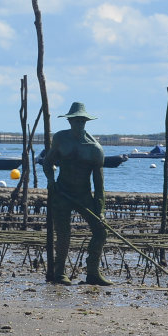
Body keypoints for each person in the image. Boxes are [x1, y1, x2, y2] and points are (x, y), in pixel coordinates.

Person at [41, 101, 111, 286]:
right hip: (62, 194)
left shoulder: (95, 149)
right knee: (63, 235)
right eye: (75, 120)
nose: (78, 124)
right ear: (69, 121)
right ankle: (59, 273)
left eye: (82, 121)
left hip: (83, 196)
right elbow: (48, 163)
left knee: (100, 231)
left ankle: (93, 272)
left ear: (86, 122)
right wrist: (50, 181)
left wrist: (101, 210)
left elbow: (99, 184)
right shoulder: (60, 139)